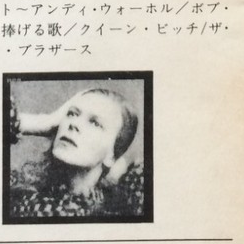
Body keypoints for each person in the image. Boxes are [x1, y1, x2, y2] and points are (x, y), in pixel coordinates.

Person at [8, 86, 145, 220]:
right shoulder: (16, 190)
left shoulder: (119, 214)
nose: (74, 124)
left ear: (112, 156)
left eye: (95, 123)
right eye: (72, 114)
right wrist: (42, 122)